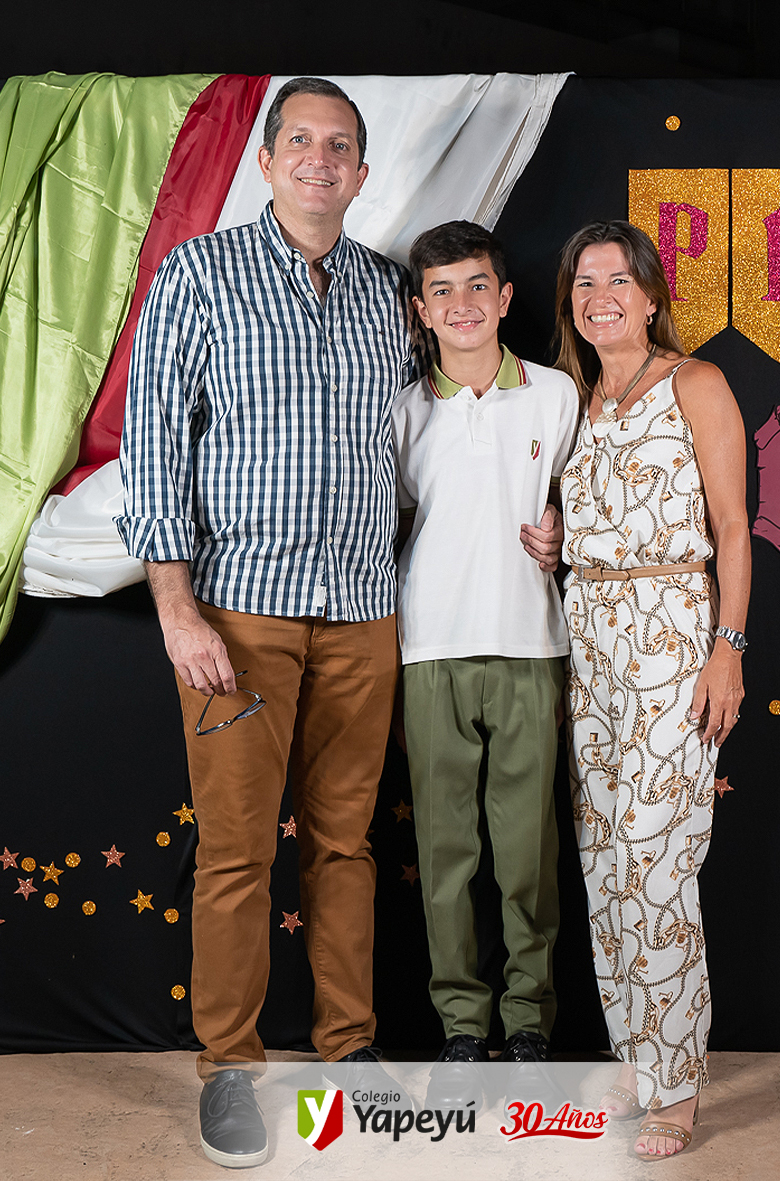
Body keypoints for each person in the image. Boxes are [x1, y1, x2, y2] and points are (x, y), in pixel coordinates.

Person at [117, 77, 419, 1169]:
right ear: (266, 159)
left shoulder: (390, 291)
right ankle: (230, 1070)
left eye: (338, 145)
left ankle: (349, 1050)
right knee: (239, 852)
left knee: (345, 844)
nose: (318, 159)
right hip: (237, 615)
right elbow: (153, 441)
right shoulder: (199, 273)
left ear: (361, 172)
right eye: (300, 140)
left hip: (364, 611)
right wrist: (174, 605)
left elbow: (433, 431)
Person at [553, 221, 750, 1160]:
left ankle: (678, 1085)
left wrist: (729, 648)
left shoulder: (695, 382)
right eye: (585, 282)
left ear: (651, 293)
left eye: (618, 279)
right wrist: (557, 544)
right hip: (588, 643)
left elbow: (734, 525)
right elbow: (590, 519)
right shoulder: (576, 398)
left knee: (658, 858)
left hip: (672, 635)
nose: (602, 296)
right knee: (605, 858)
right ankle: (637, 1051)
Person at [393, 221, 578, 1106]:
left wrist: (565, 530)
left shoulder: (554, 395)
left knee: (528, 851)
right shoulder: (401, 410)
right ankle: (463, 1026)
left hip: (530, 643)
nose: (460, 304)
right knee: (446, 851)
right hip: (429, 647)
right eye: (442, 291)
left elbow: (586, 498)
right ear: (420, 310)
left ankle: (529, 1020)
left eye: (476, 286)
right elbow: (386, 517)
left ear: (504, 299)